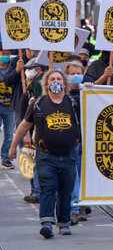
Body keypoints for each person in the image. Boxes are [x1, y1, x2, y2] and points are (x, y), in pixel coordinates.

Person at [9, 69, 81, 238]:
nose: (55, 81)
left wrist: (90, 87)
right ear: (46, 83)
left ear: (64, 83)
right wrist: (13, 146)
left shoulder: (74, 102)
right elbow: (25, 125)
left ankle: (63, 222)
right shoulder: (38, 103)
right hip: (46, 156)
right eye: (52, 79)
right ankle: (47, 222)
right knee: (48, 187)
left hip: (69, 155)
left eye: (58, 78)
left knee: (66, 190)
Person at [64, 61, 92, 225]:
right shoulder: (63, 94)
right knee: (73, 177)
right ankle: (75, 209)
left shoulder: (88, 91)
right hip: (69, 141)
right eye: (72, 73)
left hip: (86, 141)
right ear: (67, 75)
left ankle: (82, 205)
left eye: (79, 73)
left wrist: (91, 89)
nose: (76, 76)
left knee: (84, 176)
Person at [20, 58, 46, 204]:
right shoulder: (30, 88)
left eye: (32, 68)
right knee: (34, 161)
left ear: (39, 70)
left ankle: (36, 191)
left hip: (37, 130)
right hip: (33, 129)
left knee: (35, 162)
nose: (28, 71)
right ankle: (35, 190)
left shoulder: (38, 84)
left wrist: (31, 133)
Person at [0, 45, 14, 169]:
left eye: (7, 53)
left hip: (10, 107)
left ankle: (6, 158)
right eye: (3, 53)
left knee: (9, 135)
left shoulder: (13, 67)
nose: (5, 56)